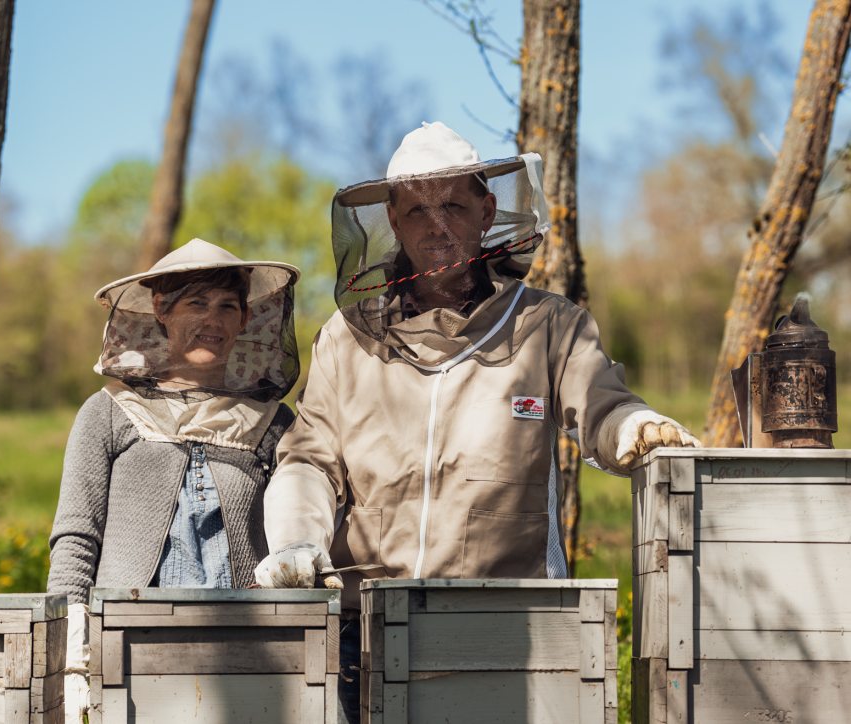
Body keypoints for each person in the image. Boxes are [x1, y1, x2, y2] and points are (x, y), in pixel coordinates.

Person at [252, 122, 700, 720]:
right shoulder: (346, 340)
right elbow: (309, 458)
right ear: (391, 219)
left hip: (506, 622)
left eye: (454, 206)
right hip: (367, 627)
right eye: (417, 210)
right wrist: (295, 539)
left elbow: (601, 403)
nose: (437, 224)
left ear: (488, 211)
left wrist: (635, 427)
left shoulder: (547, 324)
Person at [47, 238, 301, 724]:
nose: (214, 320)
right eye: (197, 303)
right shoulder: (107, 412)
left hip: (243, 652)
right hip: (126, 650)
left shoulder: (273, 423)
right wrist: (71, 653)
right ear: (161, 310)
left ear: (246, 319)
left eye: (229, 306)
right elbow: (76, 540)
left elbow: (292, 538)